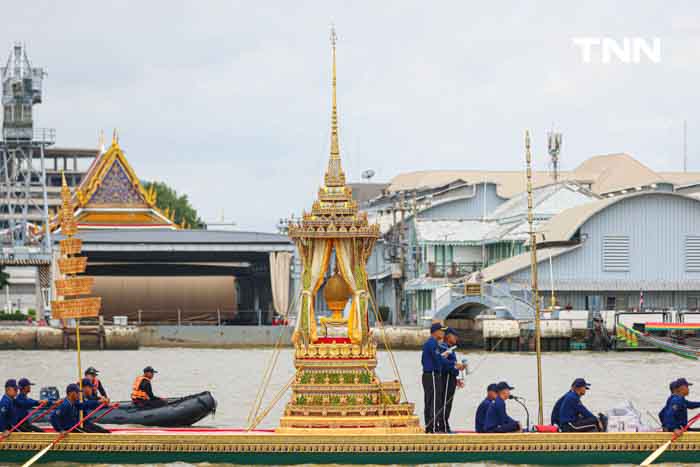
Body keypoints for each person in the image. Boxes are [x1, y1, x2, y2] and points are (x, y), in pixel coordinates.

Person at [421, 323, 450, 433]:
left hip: (429, 374)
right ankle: (432, 428)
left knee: (429, 401)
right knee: (434, 401)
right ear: (435, 332)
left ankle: (430, 427)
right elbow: (437, 359)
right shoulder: (432, 343)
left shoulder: (432, 343)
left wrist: (442, 358)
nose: (443, 333)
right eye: (441, 331)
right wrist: (453, 364)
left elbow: (436, 357)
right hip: (432, 374)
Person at [439, 328, 464, 433]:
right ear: (448, 336)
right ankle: (443, 427)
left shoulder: (451, 348)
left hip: (451, 378)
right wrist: (456, 366)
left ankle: (445, 425)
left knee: (448, 404)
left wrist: (456, 378)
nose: (456, 338)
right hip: (446, 379)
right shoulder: (443, 348)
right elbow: (443, 364)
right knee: (444, 402)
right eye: (454, 336)